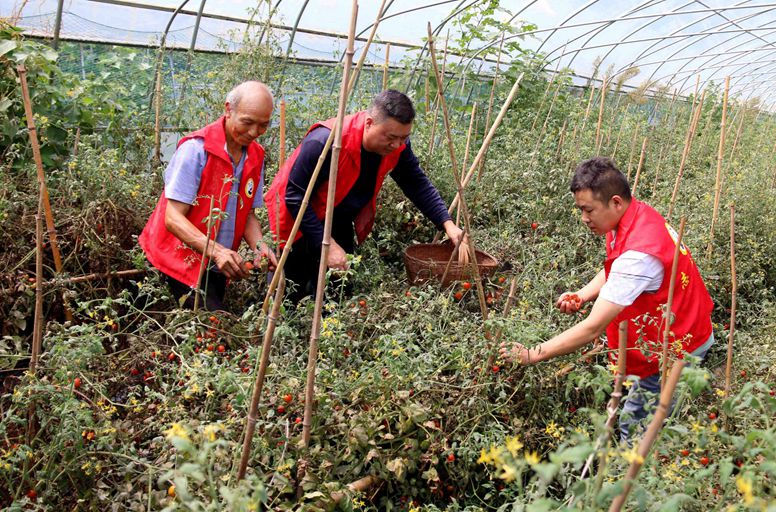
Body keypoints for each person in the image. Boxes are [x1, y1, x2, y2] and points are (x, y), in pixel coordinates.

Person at [500, 157, 714, 440]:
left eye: (588, 210)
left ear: (615, 202)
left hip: (675, 352)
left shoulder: (639, 254)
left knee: (637, 433)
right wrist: (584, 294)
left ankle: (630, 477)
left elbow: (593, 328)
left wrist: (532, 354)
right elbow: (614, 268)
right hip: (681, 330)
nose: (584, 218)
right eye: (580, 210)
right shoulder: (635, 216)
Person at [265, 89, 465, 301]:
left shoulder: (398, 146)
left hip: (338, 217)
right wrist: (327, 245)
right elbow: (295, 196)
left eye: (403, 138)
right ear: (369, 123)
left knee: (336, 292)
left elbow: (415, 182)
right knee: (289, 293)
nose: (397, 145)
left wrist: (447, 223)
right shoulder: (326, 141)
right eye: (391, 137)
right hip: (297, 218)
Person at [139, 81, 277, 310]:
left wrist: (260, 246)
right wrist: (218, 251)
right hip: (176, 259)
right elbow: (172, 218)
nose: (254, 132)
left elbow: (247, 214)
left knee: (209, 329)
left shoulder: (255, 155)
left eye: (263, 125)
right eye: (247, 122)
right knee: (211, 330)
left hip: (214, 263)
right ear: (228, 110)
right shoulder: (196, 151)